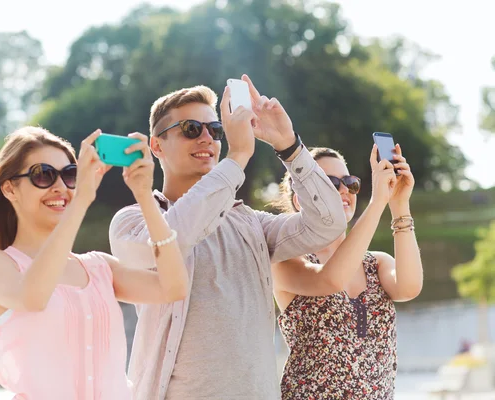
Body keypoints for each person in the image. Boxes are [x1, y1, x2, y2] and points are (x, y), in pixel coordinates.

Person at [109, 75, 347, 400]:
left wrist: (289, 146)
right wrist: (236, 158)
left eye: (216, 130)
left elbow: (329, 224)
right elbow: (171, 241)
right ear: (156, 145)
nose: (207, 138)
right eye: (192, 129)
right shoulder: (133, 221)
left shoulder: (251, 224)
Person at [0, 126, 188, 400]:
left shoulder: (99, 268)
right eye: (43, 175)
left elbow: (174, 288)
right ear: (9, 188)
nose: (60, 187)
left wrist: (144, 196)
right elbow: (33, 297)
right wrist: (80, 201)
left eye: (69, 175)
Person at [272, 145, 424, 399]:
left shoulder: (377, 264)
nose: (344, 190)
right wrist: (377, 202)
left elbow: (410, 288)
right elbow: (330, 279)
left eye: (350, 183)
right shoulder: (286, 261)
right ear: (299, 199)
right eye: (329, 182)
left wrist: (398, 204)